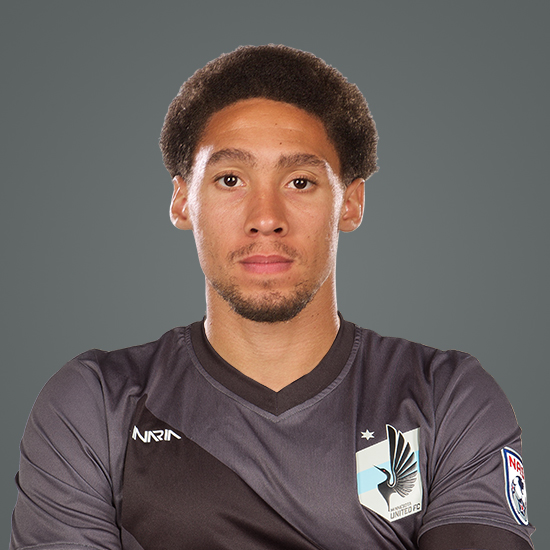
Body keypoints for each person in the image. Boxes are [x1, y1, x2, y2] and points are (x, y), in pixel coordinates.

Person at [10, 45, 535, 550]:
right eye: (230, 179)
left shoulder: (447, 397)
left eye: (300, 182)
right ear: (183, 200)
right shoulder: (96, 403)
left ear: (351, 203)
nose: (266, 218)